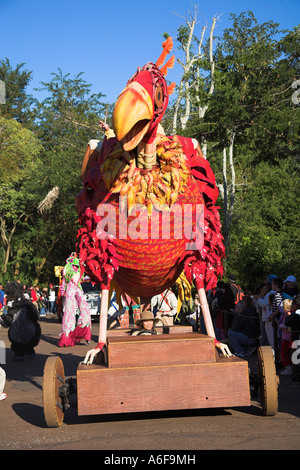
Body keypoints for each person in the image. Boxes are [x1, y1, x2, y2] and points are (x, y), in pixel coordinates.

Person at [0, 281, 41, 361]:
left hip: (27, 327)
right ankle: (20, 353)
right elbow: (10, 318)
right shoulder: (11, 304)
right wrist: (4, 319)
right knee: (17, 342)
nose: (7, 296)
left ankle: (29, 351)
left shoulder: (25, 303)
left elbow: (34, 315)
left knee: (28, 340)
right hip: (16, 329)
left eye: (9, 294)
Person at [58, 254, 92, 347]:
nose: (76, 268)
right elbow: (64, 282)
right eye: (74, 266)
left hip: (77, 289)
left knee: (84, 309)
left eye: (77, 266)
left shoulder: (78, 273)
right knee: (69, 312)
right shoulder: (68, 272)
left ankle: (83, 330)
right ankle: (68, 335)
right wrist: (62, 290)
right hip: (70, 290)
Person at [279, 299, 293, 375]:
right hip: (287, 336)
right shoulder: (288, 314)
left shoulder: (288, 314)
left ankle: (288, 368)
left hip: (287, 337)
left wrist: (280, 325)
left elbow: (286, 325)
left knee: (284, 352)